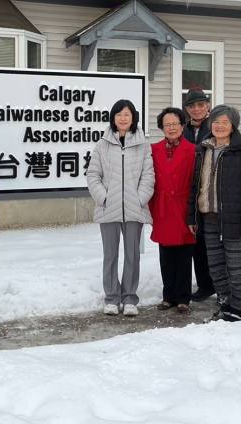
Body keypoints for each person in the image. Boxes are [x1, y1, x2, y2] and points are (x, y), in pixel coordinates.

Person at [187, 105, 241, 322]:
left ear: (233, 126)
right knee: (216, 267)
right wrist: (192, 217)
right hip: (208, 218)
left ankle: (236, 309)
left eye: (225, 122)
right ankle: (224, 302)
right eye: (216, 122)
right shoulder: (203, 149)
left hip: (234, 219)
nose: (219, 126)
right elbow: (195, 187)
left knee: (235, 267)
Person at [86, 99, 154, 317]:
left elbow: (148, 176)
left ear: (133, 118)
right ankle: (112, 298)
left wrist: (140, 199)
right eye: (119, 114)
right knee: (110, 255)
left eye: (127, 114)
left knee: (133, 255)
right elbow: (92, 175)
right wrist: (103, 198)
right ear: (113, 118)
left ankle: (130, 298)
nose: (123, 118)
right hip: (109, 208)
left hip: (134, 209)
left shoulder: (143, 145)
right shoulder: (102, 144)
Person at [148, 108, 196, 313]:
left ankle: (183, 297)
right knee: (165, 253)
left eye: (175, 123)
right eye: (167, 125)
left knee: (184, 254)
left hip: (183, 206)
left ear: (182, 125)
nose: (171, 128)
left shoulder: (193, 150)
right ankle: (168, 296)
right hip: (162, 206)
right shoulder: (154, 149)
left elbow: (196, 182)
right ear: (162, 128)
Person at [181, 88, 215, 303]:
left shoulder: (215, 127)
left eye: (200, 104)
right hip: (188, 190)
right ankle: (204, 284)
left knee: (212, 241)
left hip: (210, 190)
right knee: (195, 240)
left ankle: (217, 283)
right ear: (187, 109)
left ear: (207, 106)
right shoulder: (183, 130)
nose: (196, 109)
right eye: (192, 106)